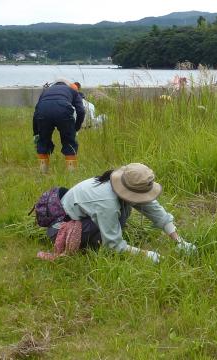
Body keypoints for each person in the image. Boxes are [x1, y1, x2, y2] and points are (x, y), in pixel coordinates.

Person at [44, 163, 196, 262]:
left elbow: (155, 210)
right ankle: (88, 249)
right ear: (128, 190)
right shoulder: (106, 202)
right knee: (115, 223)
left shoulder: (126, 183)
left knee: (122, 212)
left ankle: (97, 241)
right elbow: (113, 244)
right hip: (60, 229)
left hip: (84, 218)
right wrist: (148, 255)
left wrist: (180, 241)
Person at [33, 79, 85, 173]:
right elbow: (81, 111)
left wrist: (36, 133)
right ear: (67, 85)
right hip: (63, 110)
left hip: (43, 111)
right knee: (69, 142)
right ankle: (71, 174)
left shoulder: (46, 91)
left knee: (43, 141)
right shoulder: (72, 90)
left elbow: (36, 113)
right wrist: (76, 128)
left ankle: (43, 173)